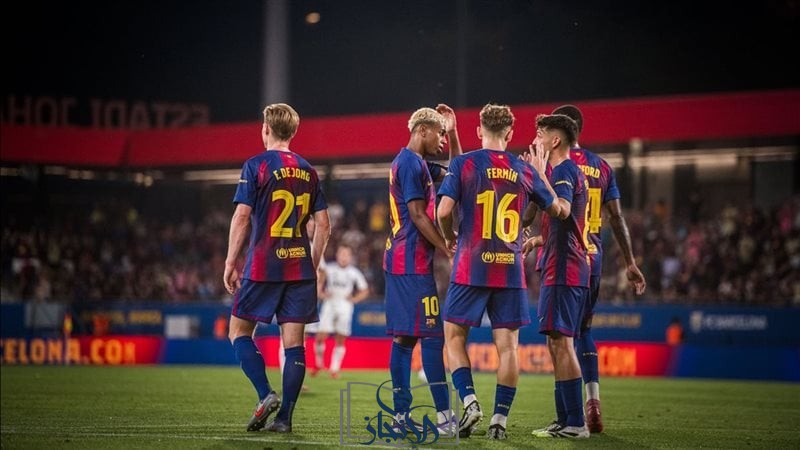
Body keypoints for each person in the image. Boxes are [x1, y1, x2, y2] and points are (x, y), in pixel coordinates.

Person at [437, 103, 563, 440]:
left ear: (479, 130)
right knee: (508, 347)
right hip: (509, 269)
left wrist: (449, 236)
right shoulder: (524, 169)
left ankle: (470, 402)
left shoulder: (464, 163)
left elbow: (443, 211)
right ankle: (499, 421)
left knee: (454, 336)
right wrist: (541, 174)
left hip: (471, 265)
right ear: (510, 133)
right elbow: (555, 209)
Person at [223, 103, 330, 434]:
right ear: (293, 132)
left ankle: (265, 393)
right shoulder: (309, 170)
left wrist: (230, 261)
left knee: (239, 332)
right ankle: (285, 419)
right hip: (299, 269)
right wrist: (312, 264)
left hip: (264, 264)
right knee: (294, 345)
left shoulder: (256, 165)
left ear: (266, 129)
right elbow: (324, 225)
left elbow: (242, 217)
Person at [553, 104, 647, 433]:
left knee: (560, 338)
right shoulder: (602, 166)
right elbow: (617, 217)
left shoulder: (558, 163)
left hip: (566, 259)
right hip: (594, 258)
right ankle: (592, 399)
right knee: (585, 332)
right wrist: (630, 262)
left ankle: (567, 417)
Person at [384, 104, 461, 435]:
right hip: (409, 262)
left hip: (410, 261)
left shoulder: (418, 164)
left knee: (407, 338)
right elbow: (417, 215)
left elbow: (459, 172)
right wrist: (445, 246)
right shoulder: (410, 165)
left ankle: (403, 417)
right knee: (428, 336)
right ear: (422, 130)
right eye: (440, 134)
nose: (442, 140)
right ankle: (443, 417)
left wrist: (454, 132)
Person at [523, 113, 591, 439]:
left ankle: (576, 423)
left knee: (562, 343)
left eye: (541, 133)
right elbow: (567, 222)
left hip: (565, 268)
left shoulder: (563, 170)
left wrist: (538, 174)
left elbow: (562, 210)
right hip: (560, 264)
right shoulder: (560, 172)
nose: (536, 138)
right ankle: (565, 420)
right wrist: (539, 239)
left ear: (556, 140)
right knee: (555, 343)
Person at [313, 244, 369, 378]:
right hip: (330, 303)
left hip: (345, 305)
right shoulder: (329, 268)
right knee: (320, 336)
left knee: (340, 337)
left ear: (350, 257)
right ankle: (319, 364)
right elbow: (319, 282)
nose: (343, 257)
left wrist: (354, 299)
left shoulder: (354, 272)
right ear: (337, 255)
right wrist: (321, 293)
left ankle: (334, 368)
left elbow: (364, 290)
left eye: (346, 254)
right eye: (341, 254)